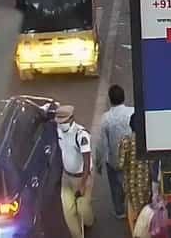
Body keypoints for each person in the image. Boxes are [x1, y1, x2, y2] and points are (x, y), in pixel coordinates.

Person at [96, 86, 135, 221]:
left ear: (110, 100)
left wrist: (98, 163)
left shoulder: (106, 118)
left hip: (114, 161)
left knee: (116, 187)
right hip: (132, 159)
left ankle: (120, 211)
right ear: (124, 97)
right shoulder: (133, 112)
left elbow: (101, 144)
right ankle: (134, 208)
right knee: (133, 184)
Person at [55, 105, 94, 238]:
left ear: (71, 118)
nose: (61, 125)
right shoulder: (59, 131)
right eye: (59, 122)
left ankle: (89, 222)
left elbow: (87, 161)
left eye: (64, 122)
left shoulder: (81, 135)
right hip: (66, 176)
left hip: (81, 178)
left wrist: (83, 184)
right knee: (68, 211)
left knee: (82, 209)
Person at [118, 112, 154, 234]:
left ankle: (135, 233)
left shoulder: (126, 141)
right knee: (146, 212)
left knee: (132, 211)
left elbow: (121, 164)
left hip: (131, 184)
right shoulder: (148, 141)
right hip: (145, 183)